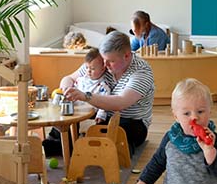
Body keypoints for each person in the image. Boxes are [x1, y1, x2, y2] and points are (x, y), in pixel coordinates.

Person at [63, 31, 154, 159]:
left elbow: (120, 102)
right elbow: (68, 78)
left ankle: (105, 147)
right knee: (66, 119)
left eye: (111, 61)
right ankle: (62, 145)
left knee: (114, 134)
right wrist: (67, 90)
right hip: (100, 112)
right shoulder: (101, 61)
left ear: (127, 56)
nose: (105, 65)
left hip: (131, 121)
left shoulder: (141, 72)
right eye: (104, 59)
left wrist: (85, 96)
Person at [41, 48, 114, 155]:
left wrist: (101, 115)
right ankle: (55, 137)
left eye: (92, 69)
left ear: (103, 69)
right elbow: (71, 84)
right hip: (78, 107)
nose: (88, 71)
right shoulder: (82, 79)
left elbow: (105, 102)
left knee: (73, 121)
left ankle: (66, 146)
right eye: (87, 68)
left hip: (92, 111)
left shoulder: (103, 85)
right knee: (64, 116)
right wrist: (66, 92)